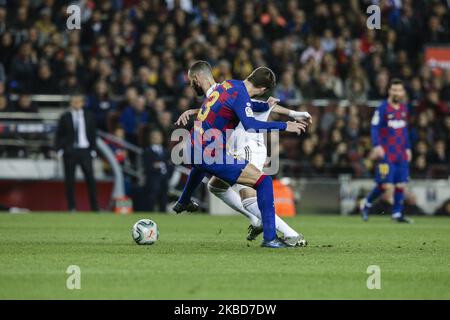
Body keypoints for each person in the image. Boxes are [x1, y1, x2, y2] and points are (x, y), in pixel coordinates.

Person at [171, 61, 307, 248]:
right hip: (210, 152)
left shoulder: (229, 85)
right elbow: (251, 125)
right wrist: (285, 125)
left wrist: (269, 108)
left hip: (194, 146)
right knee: (263, 181)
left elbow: (242, 105)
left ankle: (183, 201)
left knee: (203, 169)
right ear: (261, 88)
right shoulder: (240, 94)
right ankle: (270, 239)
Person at [361, 79, 412, 223]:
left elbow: (404, 130)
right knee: (385, 185)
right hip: (386, 153)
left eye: (399, 90)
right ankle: (367, 203)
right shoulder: (382, 108)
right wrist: (377, 145)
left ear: (402, 92)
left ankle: (396, 214)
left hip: (401, 153)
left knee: (401, 184)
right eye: (394, 90)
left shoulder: (404, 108)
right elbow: (374, 127)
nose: (396, 92)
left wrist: (408, 148)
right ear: (389, 91)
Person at [55, 93, 99, 212]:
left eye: (78, 101)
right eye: (73, 101)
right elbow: (59, 134)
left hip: (85, 151)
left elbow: (93, 134)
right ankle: (72, 207)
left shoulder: (90, 116)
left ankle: (95, 207)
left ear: (83, 103)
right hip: (70, 151)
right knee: (70, 181)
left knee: (90, 180)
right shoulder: (65, 116)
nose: (76, 104)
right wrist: (59, 149)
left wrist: (93, 150)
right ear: (70, 103)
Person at [143, 129, 171, 212]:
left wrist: (168, 173)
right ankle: (149, 213)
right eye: (154, 137)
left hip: (164, 178)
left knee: (164, 196)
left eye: (158, 137)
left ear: (162, 138)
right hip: (153, 178)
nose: (156, 138)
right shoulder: (147, 151)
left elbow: (170, 165)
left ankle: (163, 212)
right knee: (152, 196)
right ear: (150, 139)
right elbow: (146, 165)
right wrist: (153, 166)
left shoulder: (166, 151)